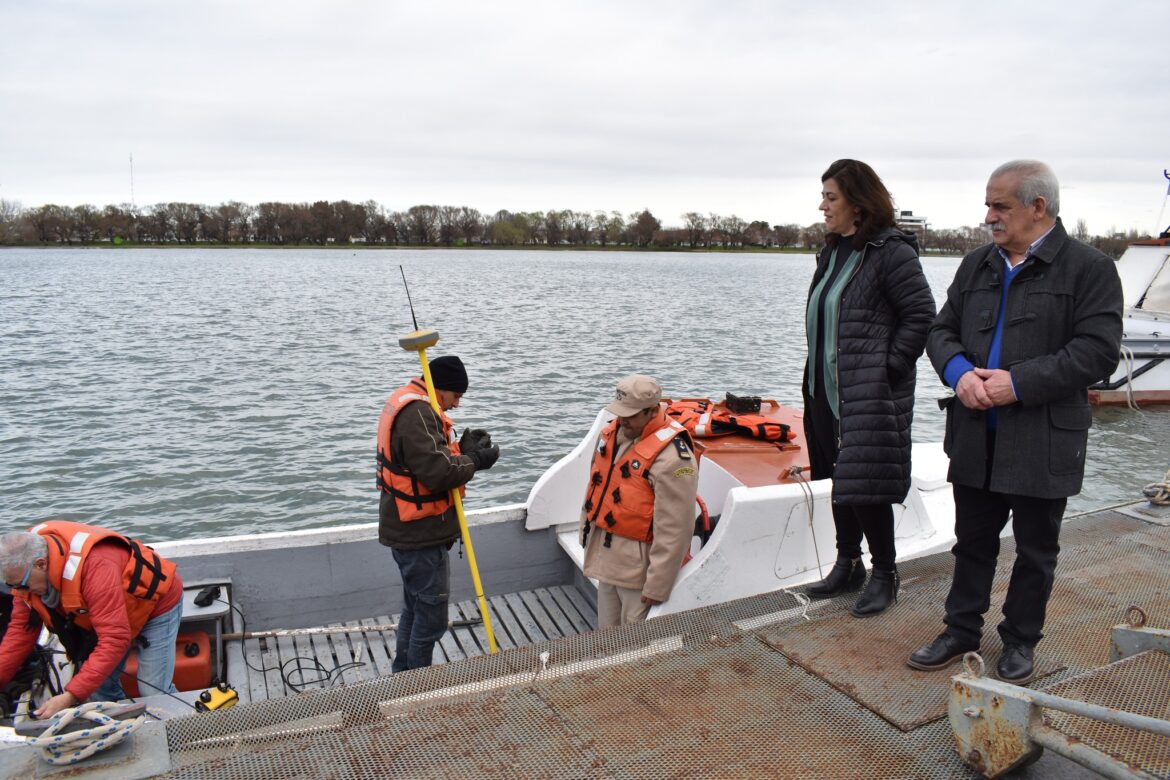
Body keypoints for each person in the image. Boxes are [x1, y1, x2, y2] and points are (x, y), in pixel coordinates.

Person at [908, 160, 1123, 682]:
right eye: (988, 204)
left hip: (1044, 439)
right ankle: (960, 629)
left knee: (1035, 550)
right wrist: (959, 373)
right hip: (976, 434)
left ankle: (1020, 641)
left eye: (999, 206)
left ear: (1038, 207)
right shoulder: (976, 264)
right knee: (972, 541)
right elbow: (941, 331)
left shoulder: (1090, 268)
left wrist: (1017, 383)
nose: (989, 216)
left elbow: (1097, 353)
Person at [802, 159, 936, 617]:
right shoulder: (832, 250)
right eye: (823, 196)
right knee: (842, 480)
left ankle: (885, 573)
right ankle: (848, 563)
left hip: (868, 391)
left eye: (830, 197)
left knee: (866, 484)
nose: (822, 206)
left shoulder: (891, 251)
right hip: (824, 389)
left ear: (858, 203)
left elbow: (920, 316)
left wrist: (889, 368)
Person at [376, 355, 499, 672]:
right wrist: (475, 461)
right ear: (440, 389)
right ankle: (416, 683)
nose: (457, 405)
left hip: (412, 532)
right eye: (456, 396)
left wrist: (461, 449)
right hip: (418, 536)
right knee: (429, 619)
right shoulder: (417, 413)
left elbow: (428, 460)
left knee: (415, 608)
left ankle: (403, 674)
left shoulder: (415, 403)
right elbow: (438, 473)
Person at [0, 521, 183, 719]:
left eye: (22, 585)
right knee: (100, 689)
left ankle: (178, 731)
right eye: (13, 586)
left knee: (154, 692)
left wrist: (70, 696)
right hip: (110, 613)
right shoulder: (23, 575)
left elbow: (114, 640)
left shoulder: (95, 567)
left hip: (156, 606)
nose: (19, 592)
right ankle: (124, 728)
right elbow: (21, 631)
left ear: (41, 564)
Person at [580, 375, 699, 627]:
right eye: (620, 413)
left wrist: (657, 585)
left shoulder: (674, 459)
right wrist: (585, 534)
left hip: (637, 574)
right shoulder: (611, 434)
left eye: (631, 415)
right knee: (606, 635)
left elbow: (675, 530)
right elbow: (595, 486)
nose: (623, 421)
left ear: (653, 411)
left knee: (634, 644)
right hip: (605, 561)